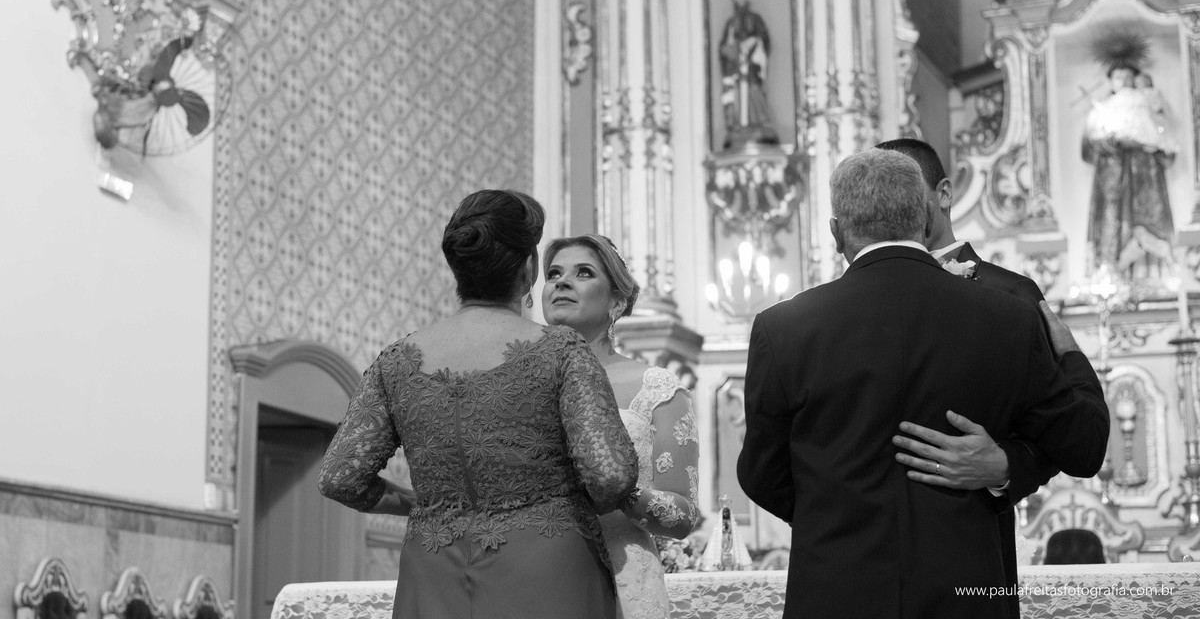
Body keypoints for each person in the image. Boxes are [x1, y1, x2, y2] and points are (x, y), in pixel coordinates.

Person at [736, 149, 1107, 619]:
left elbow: (760, 473)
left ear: (835, 233)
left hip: (836, 590)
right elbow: (1084, 446)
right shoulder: (1006, 318)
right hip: (966, 594)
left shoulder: (783, 328)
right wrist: (1070, 356)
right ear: (924, 218)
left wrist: (832, 509)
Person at [318, 190, 638, 619]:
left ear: (459, 269)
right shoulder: (561, 351)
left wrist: (419, 503)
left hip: (433, 570)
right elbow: (612, 477)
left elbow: (339, 478)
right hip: (548, 569)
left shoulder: (396, 361)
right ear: (528, 270)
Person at [878, 137, 1110, 619]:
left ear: (943, 193)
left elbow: (1064, 438)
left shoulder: (1011, 296)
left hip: (972, 559)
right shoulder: (845, 301)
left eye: (909, 188)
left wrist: (1005, 465)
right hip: (868, 560)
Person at [542, 234, 700, 619]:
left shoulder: (658, 389)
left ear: (616, 301)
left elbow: (682, 517)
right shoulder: (516, 383)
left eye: (583, 272)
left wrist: (616, 488)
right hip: (535, 573)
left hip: (622, 577)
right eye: (553, 273)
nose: (562, 281)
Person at [1082, 63, 1177, 278]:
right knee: (1113, 223)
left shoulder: (1146, 106)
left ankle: (1154, 274)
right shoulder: (1103, 109)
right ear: (1111, 82)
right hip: (1112, 180)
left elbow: (1165, 143)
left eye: (1128, 76)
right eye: (1118, 77)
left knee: (1147, 221)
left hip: (1146, 176)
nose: (1123, 81)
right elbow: (1089, 148)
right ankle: (1112, 275)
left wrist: (1149, 142)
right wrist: (1114, 141)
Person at [718, 0, 778, 147]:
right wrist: (732, 49)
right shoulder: (730, 23)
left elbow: (763, 38)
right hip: (737, 68)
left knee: (754, 90)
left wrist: (754, 42)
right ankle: (738, 125)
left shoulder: (756, 19)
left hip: (752, 66)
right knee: (737, 95)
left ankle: (760, 122)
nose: (740, 1)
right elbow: (724, 47)